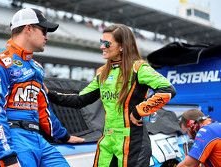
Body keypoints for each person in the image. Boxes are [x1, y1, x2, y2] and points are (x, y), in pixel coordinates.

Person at [46, 24, 176, 167]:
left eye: (107, 43)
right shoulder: (103, 72)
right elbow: (79, 100)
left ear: (122, 46)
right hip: (107, 141)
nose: (102, 46)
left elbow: (167, 90)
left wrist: (139, 111)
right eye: (101, 42)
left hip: (133, 142)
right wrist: (49, 94)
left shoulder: (139, 68)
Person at [0, 8, 84, 167]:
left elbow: (43, 108)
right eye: (44, 30)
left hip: (37, 139)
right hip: (12, 139)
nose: (46, 36)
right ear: (28, 28)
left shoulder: (36, 68)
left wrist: (64, 136)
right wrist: (7, 156)